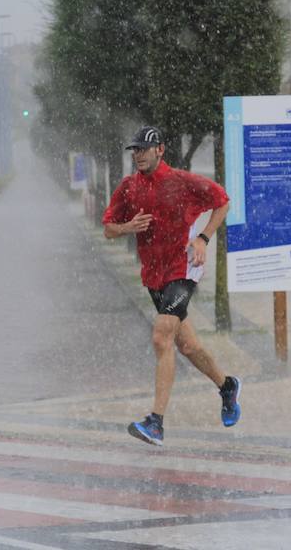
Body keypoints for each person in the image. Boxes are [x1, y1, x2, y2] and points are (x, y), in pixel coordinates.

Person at [102, 126, 241, 446]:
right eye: (134, 150)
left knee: (161, 336)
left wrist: (203, 238)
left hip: (183, 269)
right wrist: (128, 227)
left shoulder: (182, 181)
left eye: (144, 149)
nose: (138, 155)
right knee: (188, 346)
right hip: (154, 276)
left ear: (160, 150)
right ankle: (227, 387)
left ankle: (156, 422)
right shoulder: (128, 188)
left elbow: (222, 201)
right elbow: (108, 229)